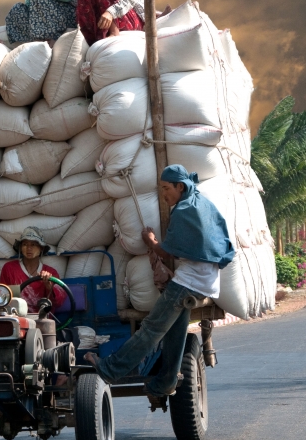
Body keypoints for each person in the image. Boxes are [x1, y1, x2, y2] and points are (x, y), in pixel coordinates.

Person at [84, 165, 235, 397]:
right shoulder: (201, 203)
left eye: (166, 189)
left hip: (188, 283)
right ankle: (165, 383)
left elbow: (168, 253)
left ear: (180, 186)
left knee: (151, 330)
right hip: (204, 284)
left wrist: (151, 241)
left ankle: (110, 370)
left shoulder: (184, 209)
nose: (164, 195)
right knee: (175, 334)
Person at [0, 226, 66, 312]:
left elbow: (59, 303)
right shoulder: (9, 268)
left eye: (33, 245)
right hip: (17, 318)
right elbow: (2, 296)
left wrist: (49, 287)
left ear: (41, 248)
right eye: (25, 244)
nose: (29, 248)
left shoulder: (51, 273)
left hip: (42, 319)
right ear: (20, 248)